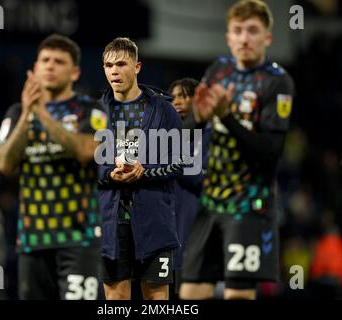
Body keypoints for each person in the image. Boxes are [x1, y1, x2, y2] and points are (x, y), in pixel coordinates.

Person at [180, 0, 295, 300]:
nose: (245, 38)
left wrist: (227, 117)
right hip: (211, 202)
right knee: (190, 294)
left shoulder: (277, 81)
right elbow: (187, 133)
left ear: (267, 38)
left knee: (238, 296)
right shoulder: (217, 70)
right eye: (238, 30)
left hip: (249, 207)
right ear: (228, 37)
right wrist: (198, 118)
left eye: (253, 31)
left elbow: (271, 151)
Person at [0, 34, 107, 300]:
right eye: (44, 60)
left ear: (75, 72)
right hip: (32, 240)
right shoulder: (15, 113)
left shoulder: (92, 110)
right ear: (34, 70)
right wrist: (26, 115)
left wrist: (42, 113)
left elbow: (85, 150)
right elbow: (5, 164)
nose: (50, 66)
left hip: (79, 240)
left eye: (59, 61)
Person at [97, 37, 183, 300]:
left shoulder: (164, 111)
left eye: (121, 64)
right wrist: (109, 173)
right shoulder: (97, 114)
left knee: (156, 301)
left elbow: (180, 163)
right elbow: (87, 167)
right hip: (112, 225)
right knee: (116, 302)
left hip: (154, 223)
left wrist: (144, 172)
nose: (114, 71)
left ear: (137, 67)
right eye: (108, 65)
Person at [168, 78, 208, 297]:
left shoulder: (209, 135)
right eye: (173, 96)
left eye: (184, 96)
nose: (178, 101)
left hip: (194, 230)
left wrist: (170, 161)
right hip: (166, 234)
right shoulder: (160, 136)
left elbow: (202, 179)